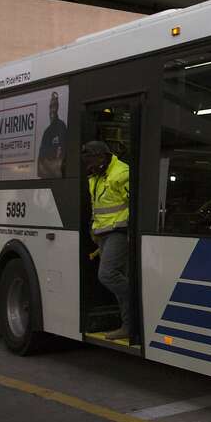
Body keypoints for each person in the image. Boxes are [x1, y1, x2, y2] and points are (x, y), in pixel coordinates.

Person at [82, 140, 134, 341]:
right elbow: (98, 206)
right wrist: (94, 229)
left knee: (108, 275)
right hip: (103, 233)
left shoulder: (121, 174)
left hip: (119, 231)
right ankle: (128, 324)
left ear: (102, 157)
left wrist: (128, 230)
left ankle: (134, 310)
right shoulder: (96, 175)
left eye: (91, 161)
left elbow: (136, 204)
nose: (88, 166)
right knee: (118, 276)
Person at [37, 91, 67, 178]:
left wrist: (49, 165)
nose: (52, 110)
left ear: (57, 107)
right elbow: (40, 166)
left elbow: (61, 164)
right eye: (51, 107)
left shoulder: (61, 127)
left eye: (54, 106)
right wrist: (52, 166)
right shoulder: (47, 132)